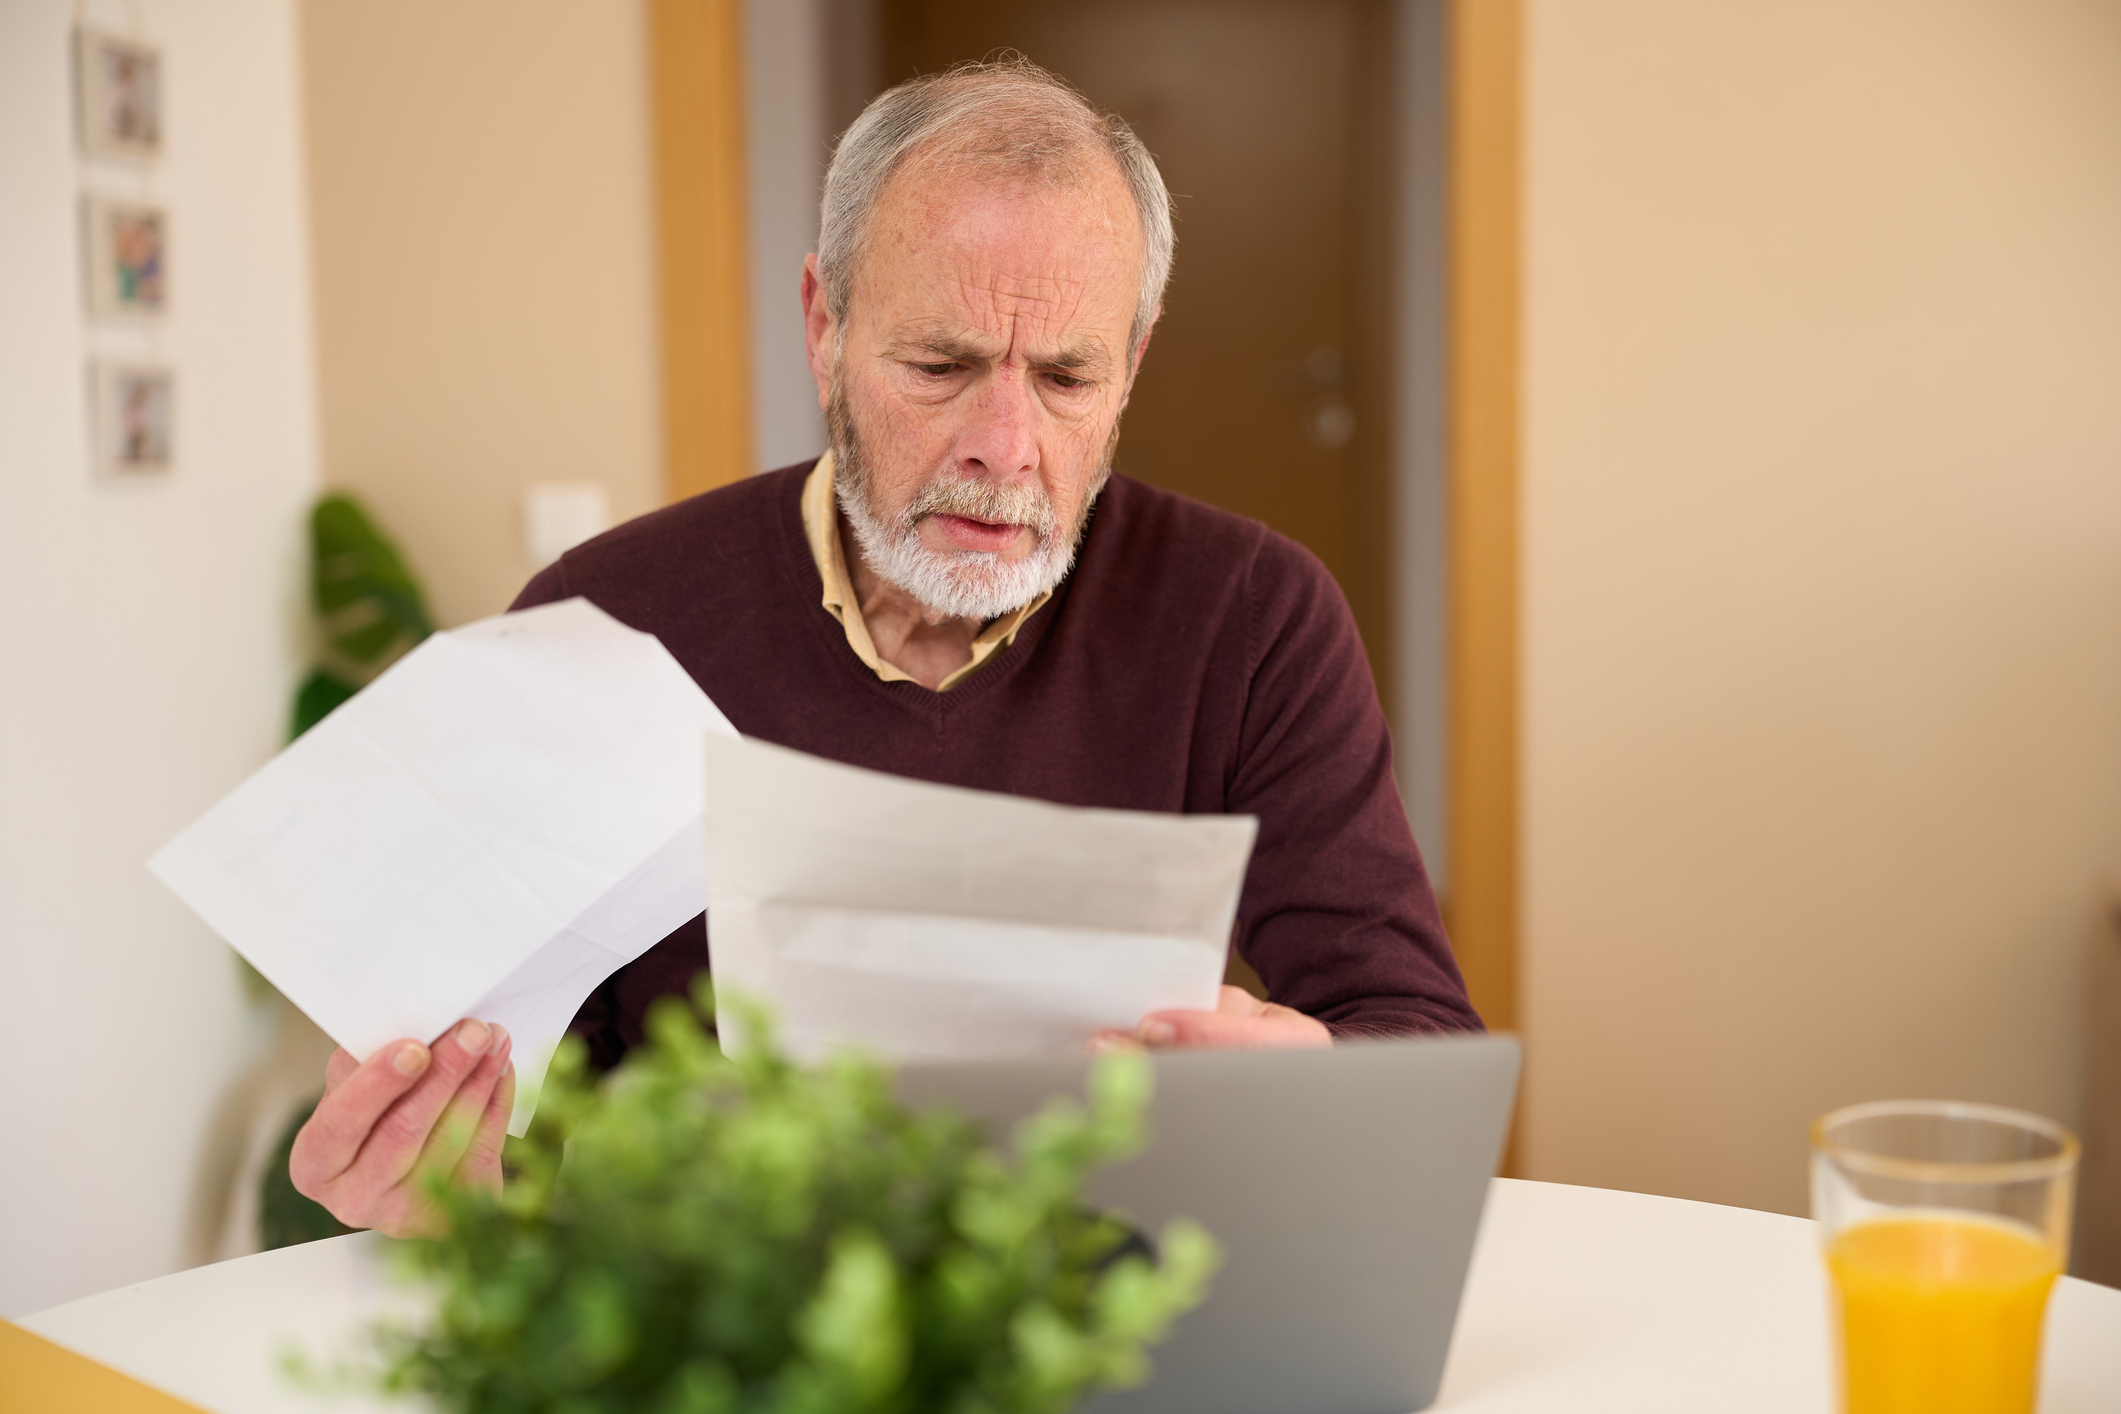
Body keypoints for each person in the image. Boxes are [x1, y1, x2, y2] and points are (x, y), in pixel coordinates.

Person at [291, 59, 1479, 1237]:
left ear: (1134, 367)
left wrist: (1313, 1073)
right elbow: (518, 1112)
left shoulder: (1255, 616)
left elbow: (1418, 1035)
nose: (1005, 447)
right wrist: (446, 1178)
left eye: (1068, 377)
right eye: (940, 366)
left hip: (1096, 1304)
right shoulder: (607, 618)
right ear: (824, 326)